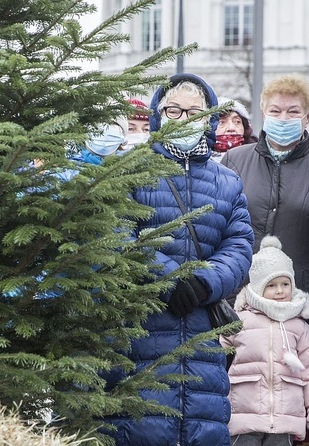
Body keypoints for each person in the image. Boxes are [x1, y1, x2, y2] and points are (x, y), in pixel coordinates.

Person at [103, 73, 254, 445]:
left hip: (202, 328)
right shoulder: (132, 168)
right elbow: (118, 233)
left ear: (209, 119)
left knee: (201, 425)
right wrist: (171, 278)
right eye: (173, 110)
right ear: (158, 115)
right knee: (142, 425)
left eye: (194, 111)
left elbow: (240, 246)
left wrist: (204, 281)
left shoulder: (227, 182)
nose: (183, 119)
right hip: (142, 325)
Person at [220, 75, 309, 342]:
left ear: (307, 118)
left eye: (293, 112)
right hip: (239, 302)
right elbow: (218, 230)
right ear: (263, 114)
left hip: (299, 305)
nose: (283, 118)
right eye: (276, 111)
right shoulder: (234, 161)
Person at [221, 235, 309, 446]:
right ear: (258, 288)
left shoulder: (299, 326)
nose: (280, 291)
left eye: (285, 284)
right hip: (244, 413)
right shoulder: (241, 320)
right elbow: (216, 351)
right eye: (271, 285)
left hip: (285, 416)